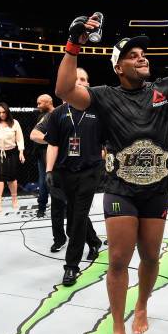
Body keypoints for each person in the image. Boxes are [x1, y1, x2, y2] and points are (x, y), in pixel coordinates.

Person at [55, 13, 168, 334]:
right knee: (117, 260)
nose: (141, 56)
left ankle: (142, 304)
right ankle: (116, 326)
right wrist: (73, 46)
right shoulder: (104, 96)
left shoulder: (165, 89)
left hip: (157, 188)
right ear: (118, 67)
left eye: (143, 52)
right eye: (132, 54)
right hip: (120, 188)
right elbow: (65, 90)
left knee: (151, 257)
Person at [45, 67, 103, 286]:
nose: (80, 82)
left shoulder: (98, 111)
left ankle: (71, 266)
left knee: (77, 218)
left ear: (88, 84)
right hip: (65, 172)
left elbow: (107, 142)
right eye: (76, 79)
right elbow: (52, 144)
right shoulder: (58, 113)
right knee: (73, 216)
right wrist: (49, 171)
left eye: (84, 79)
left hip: (90, 171)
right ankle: (95, 242)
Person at [0, 102, 25, 212]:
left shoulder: (14, 123)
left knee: (12, 177)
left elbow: (20, 138)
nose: (1, 114)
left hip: (11, 152)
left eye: (3, 112)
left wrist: (21, 152)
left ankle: (14, 199)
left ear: (7, 112)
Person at [30, 94, 55, 218]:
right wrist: (51, 140)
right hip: (43, 152)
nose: (38, 105)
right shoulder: (44, 116)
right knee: (44, 181)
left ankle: (63, 206)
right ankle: (41, 207)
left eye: (40, 103)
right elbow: (34, 135)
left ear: (48, 102)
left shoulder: (58, 113)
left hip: (57, 152)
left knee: (57, 180)